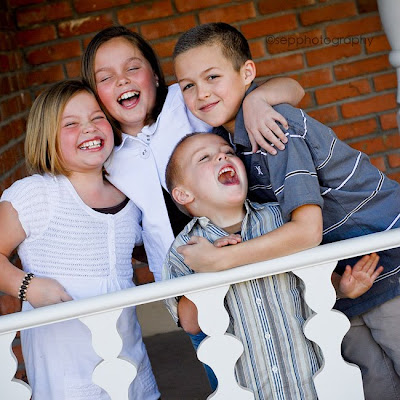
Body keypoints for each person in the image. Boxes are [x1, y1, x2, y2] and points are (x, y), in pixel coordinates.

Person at [172, 22, 400, 400]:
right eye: (187, 85)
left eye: (212, 77)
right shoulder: (229, 143)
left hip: (386, 257)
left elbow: (307, 231)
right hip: (341, 277)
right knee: (371, 383)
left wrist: (221, 261)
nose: (202, 92)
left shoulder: (272, 126)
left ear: (246, 73)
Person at [163, 132, 383, 400]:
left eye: (228, 152)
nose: (222, 156)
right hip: (250, 385)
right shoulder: (184, 248)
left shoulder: (280, 220)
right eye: (204, 158)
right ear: (183, 194)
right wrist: (207, 270)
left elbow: (315, 280)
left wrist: (343, 288)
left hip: (308, 376)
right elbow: (190, 324)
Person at [81, 25, 305, 284]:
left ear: (155, 75)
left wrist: (257, 100)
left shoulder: (186, 98)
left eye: (132, 68)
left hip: (251, 249)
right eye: (105, 78)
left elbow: (294, 89)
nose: (122, 80)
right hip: (180, 279)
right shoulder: (104, 152)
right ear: (95, 94)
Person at [0, 80, 160, 400]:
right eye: (71, 124)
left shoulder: (128, 195)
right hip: (65, 368)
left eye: (97, 117)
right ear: (47, 137)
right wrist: (27, 286)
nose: (89, 128)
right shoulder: (37, 194)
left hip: (128, 356)